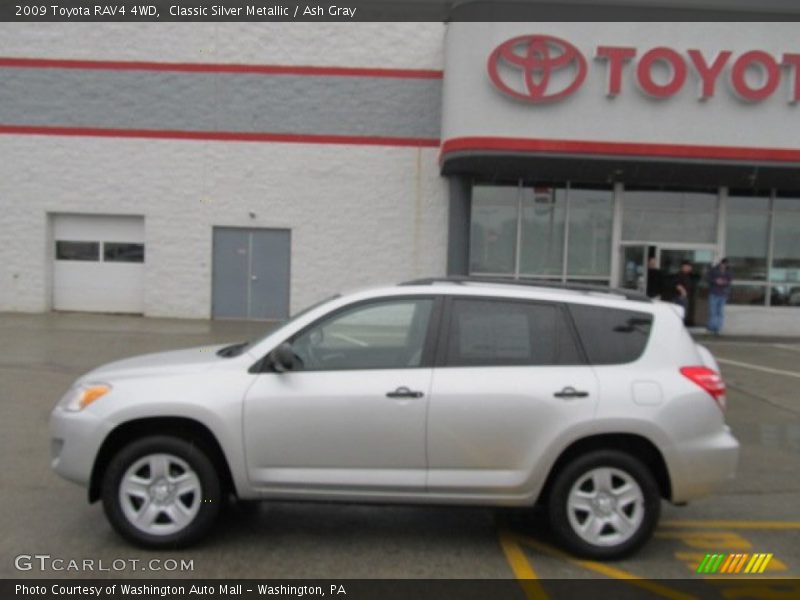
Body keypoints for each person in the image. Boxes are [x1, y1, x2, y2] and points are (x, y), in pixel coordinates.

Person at [707, 258, 733, 335]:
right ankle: (712, 327)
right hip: (714, 293)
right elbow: (708, 278)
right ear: (721, 263)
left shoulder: (729, 271)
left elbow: (729, 280)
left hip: (723, 294)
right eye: (723, 264)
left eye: (726, 265)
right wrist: (715, 281)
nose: (724, 266)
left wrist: (724, 282)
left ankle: (717, 328)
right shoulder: (714, 270)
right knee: (713, 311)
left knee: (720, 311)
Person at [673, 260, 694, 325]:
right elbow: (677, 285)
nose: (690, 268)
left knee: (684, 313)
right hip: (681, 297)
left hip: (685, 297)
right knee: (681, 313)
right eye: (689, 267)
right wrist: (683, 292)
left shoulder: (687, 275)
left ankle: (681, 325)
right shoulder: (679, 274)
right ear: (684, 267)